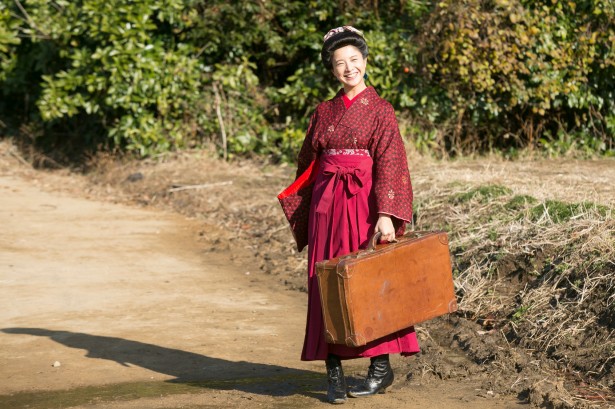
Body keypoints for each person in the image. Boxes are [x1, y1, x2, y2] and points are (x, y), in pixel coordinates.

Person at [293, 26, 420, 404]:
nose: (349, 68)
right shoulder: (323, 112)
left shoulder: (381, 111)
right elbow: (306, 163)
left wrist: (386, 214)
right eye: (339, 63)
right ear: (332, 70)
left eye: (354, 60)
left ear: (365, 62)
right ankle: (333, 372)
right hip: (326, 208)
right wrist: (306, 207)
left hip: (365, 207)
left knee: (369, 282)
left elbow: (391, 162)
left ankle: (379, 368)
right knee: (326, 283)